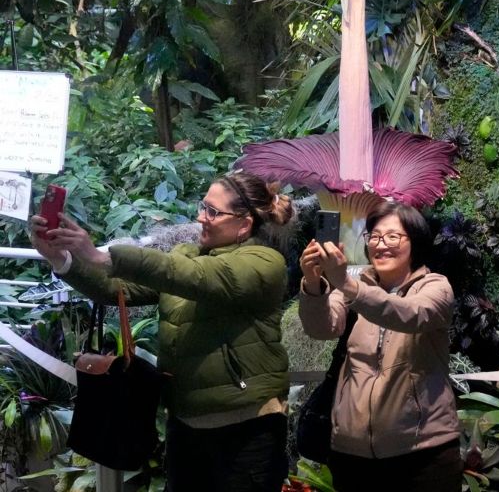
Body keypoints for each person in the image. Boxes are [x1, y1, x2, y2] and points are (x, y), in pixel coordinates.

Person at [31, 172, 293, 492]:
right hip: (184, 426)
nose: (201, 217)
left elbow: (196, 277)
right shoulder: (187, 255)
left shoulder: (264, 263)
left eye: (213, 211)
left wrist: (101, 255)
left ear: (244, 224)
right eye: (203, 206)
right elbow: (117, 289)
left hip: (247, 430)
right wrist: (61, 257)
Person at [298, 201, 461, 492]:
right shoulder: (356, 284)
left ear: (416, 241)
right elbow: (322, 328)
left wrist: (347, 285)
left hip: (423, 450)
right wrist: (313, 284)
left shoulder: (436, 287)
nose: (380, 245)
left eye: (392, 237)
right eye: (374, 236)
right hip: (352, 452)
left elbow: (410, 314)